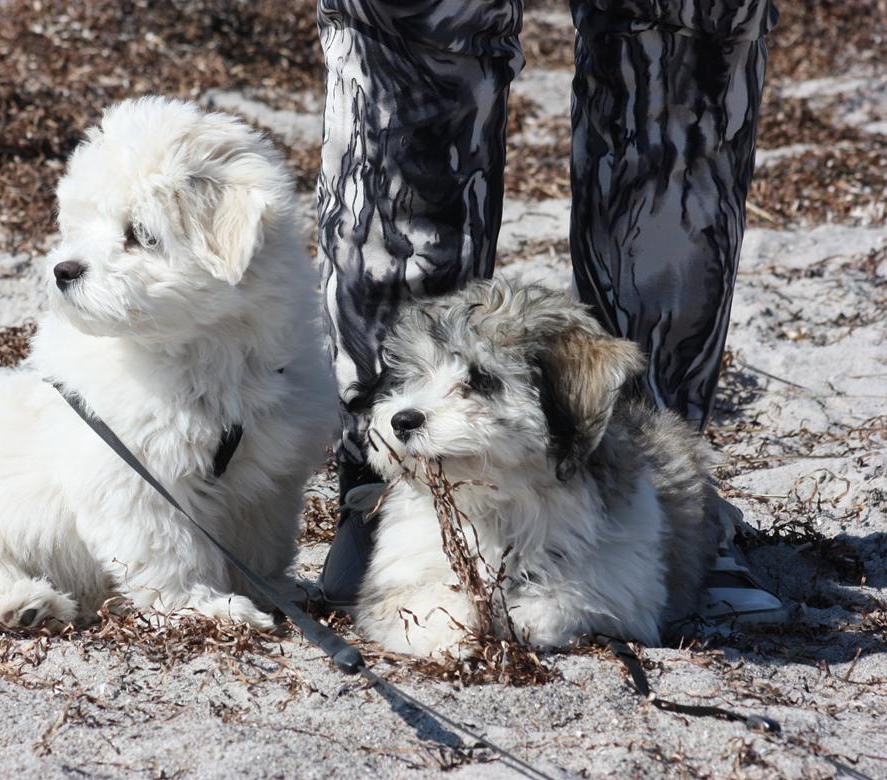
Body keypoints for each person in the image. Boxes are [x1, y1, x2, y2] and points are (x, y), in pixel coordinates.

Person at [315, 0, 788, 626]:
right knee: (408, 31)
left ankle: (688, 505)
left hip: (595, 487)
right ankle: (374, 488)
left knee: (681, 39)